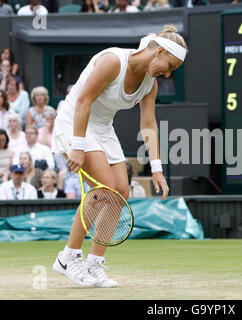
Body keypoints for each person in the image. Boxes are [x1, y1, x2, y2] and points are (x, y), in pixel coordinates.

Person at [51, 24, 187, 287]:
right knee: (105, 190)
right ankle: (68, 257)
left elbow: (148, 125)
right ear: (158, 51)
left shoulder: (151, 85)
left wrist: (157, 168)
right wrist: (77, 145)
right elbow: (83, 101)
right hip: (74, 121)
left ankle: (94, 264)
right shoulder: (113, 61)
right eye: (169, 65)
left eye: (172, 70)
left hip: (102, 128)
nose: (168, 73)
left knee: (120, 192)